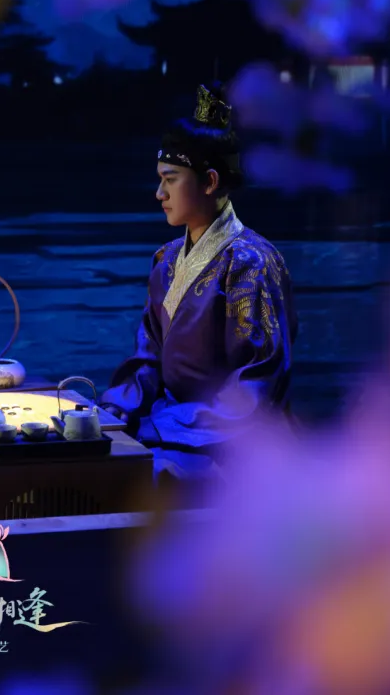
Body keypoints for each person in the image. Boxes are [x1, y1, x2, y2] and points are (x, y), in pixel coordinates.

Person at [98, 83, 298, 486]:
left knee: (139, 480)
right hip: (173, 427)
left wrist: (164, 424)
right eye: (160, 179)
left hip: (231, 444)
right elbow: (148, 358)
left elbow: (253, 389)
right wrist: (114, 412)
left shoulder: (251, 264)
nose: (159, 193)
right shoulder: (166, 260)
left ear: (209, 181)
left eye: (170, 179)